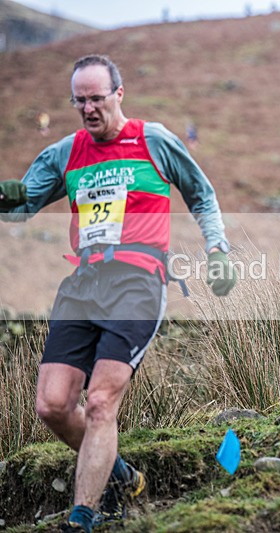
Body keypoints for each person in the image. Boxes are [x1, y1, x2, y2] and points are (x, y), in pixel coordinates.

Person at [0, 54, 236, 532]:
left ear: (118, 94)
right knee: (52, 405)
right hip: (83, 283)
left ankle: (83, 516)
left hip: (137, 281)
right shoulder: (66, 152)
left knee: (101, 403)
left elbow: (202, 194)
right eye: (79, 101)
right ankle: (122, 475)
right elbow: (20, 208)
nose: (88, 108)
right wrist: (9, 198)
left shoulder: (154, 140)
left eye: (96, 98)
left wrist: (217, 248)